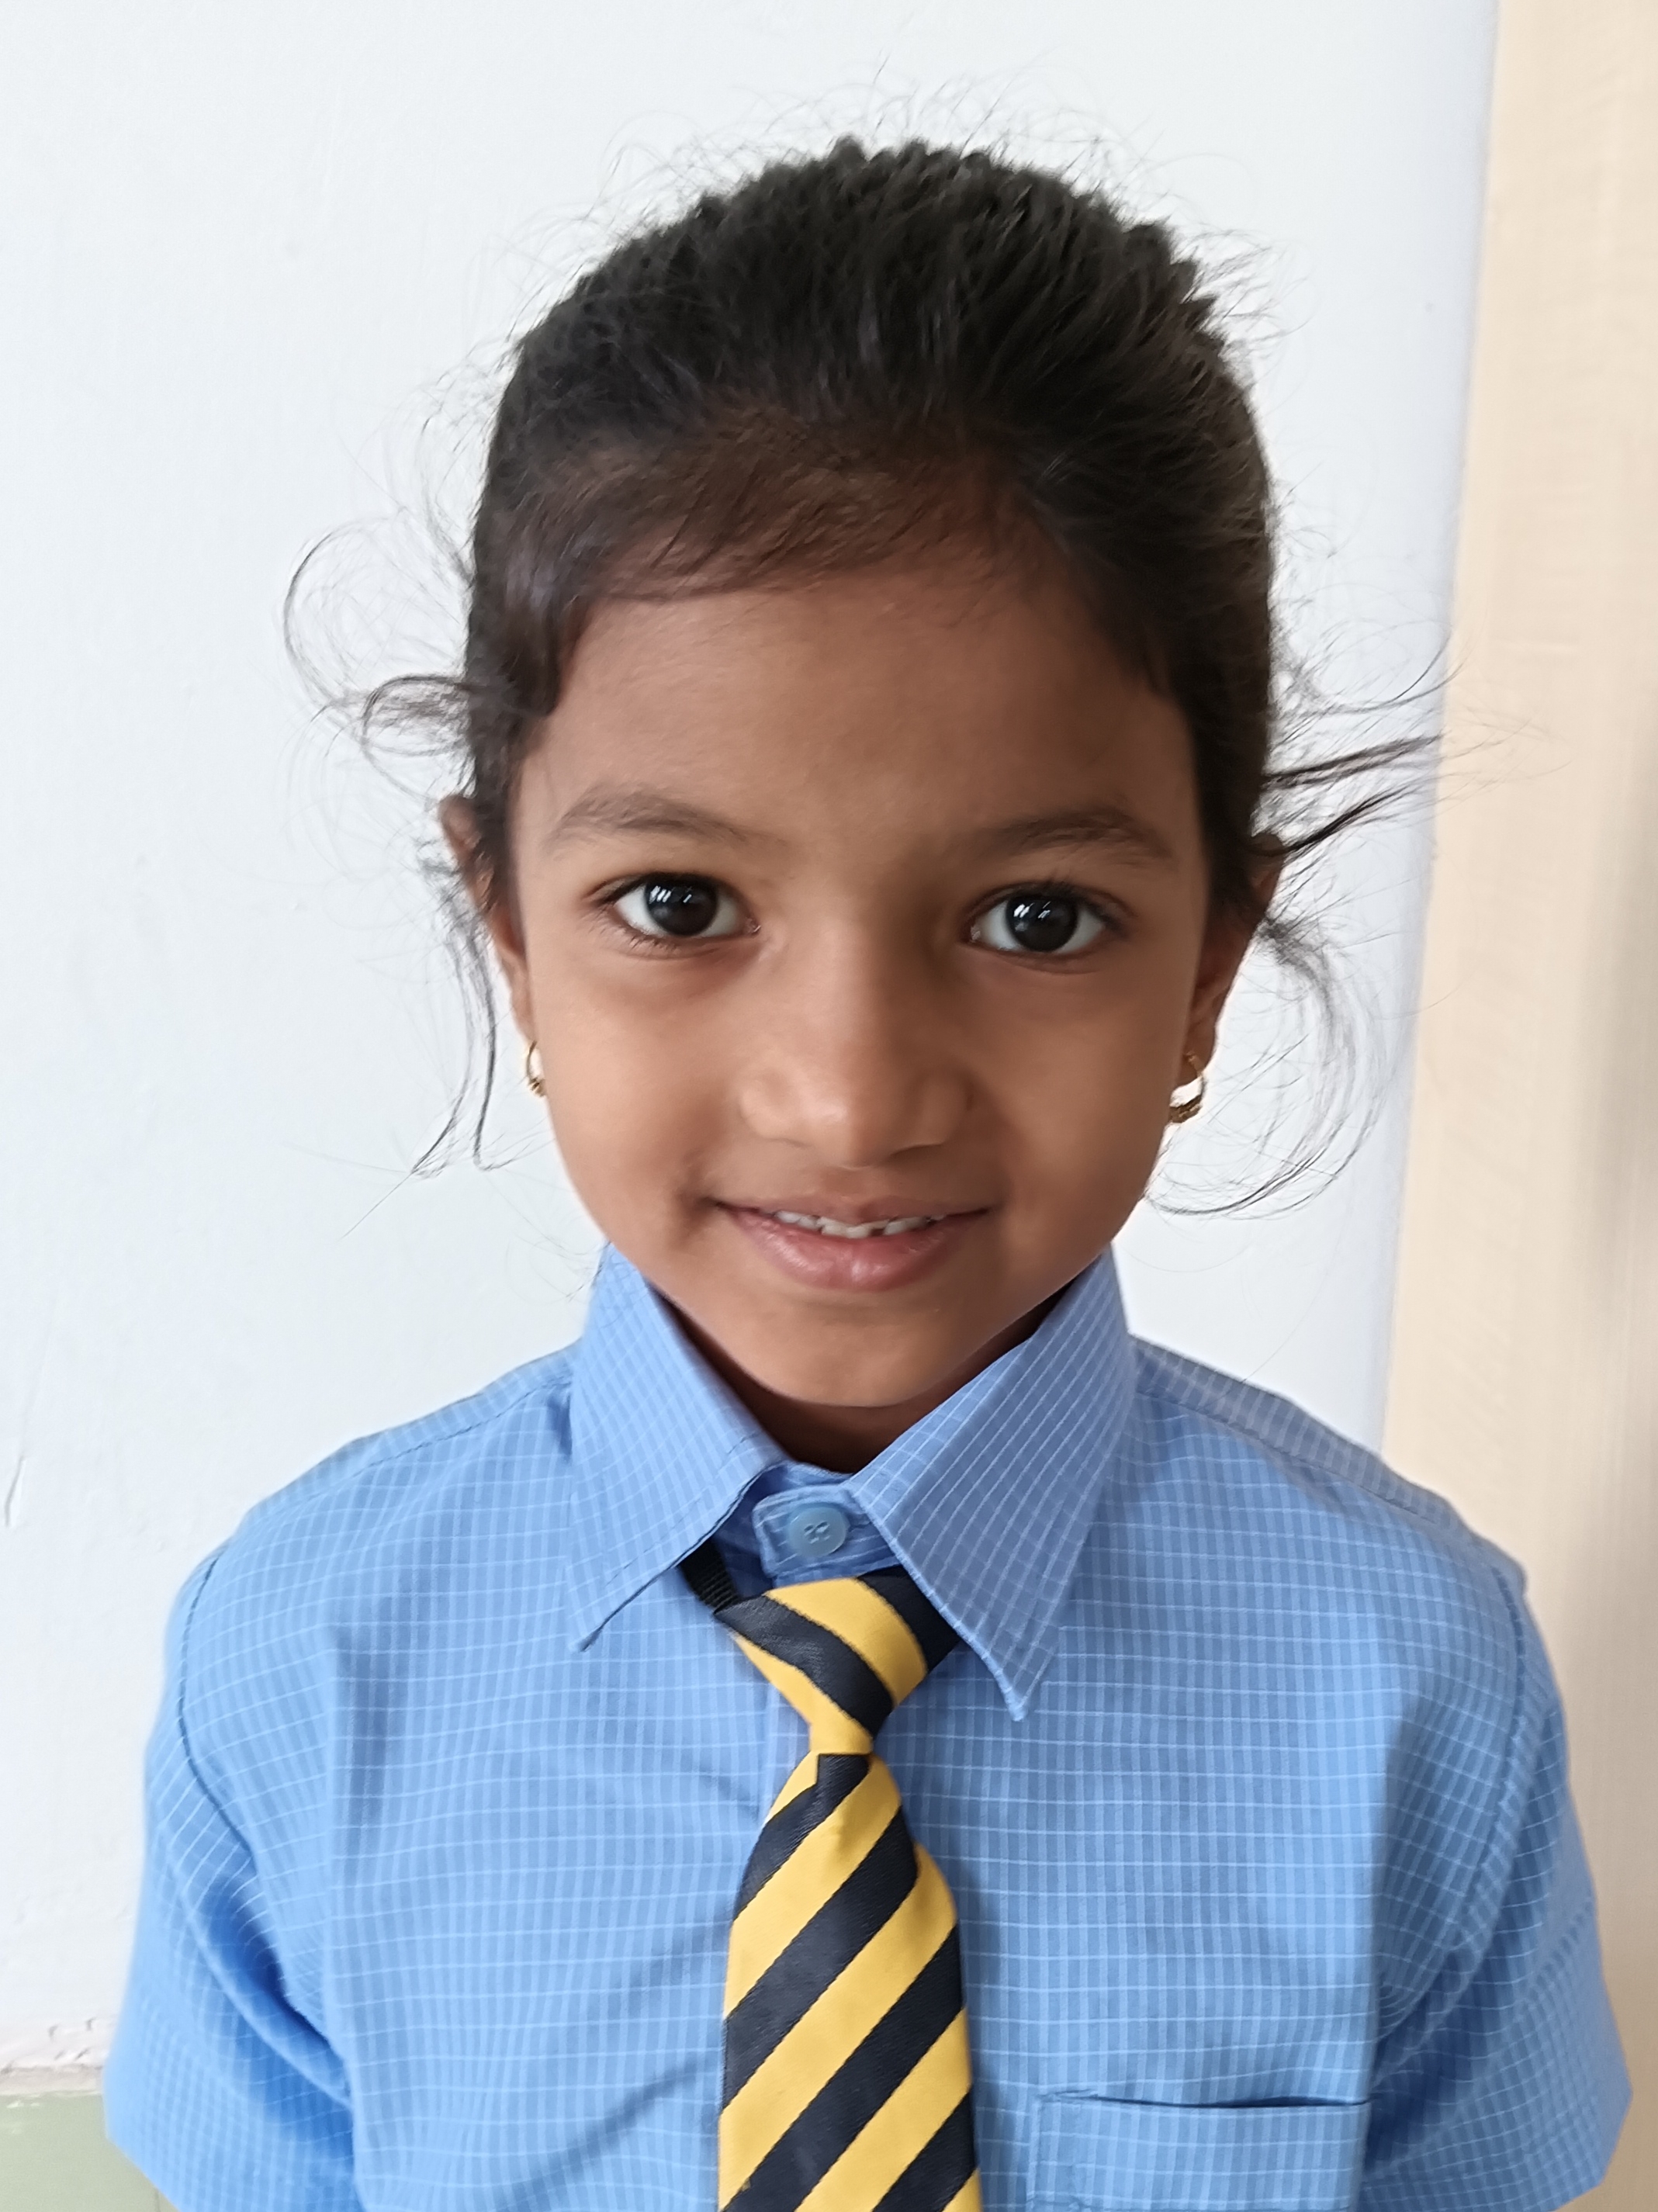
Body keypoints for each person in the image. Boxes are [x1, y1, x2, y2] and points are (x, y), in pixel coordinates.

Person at [103, 141, 1627, 2212]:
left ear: (1206, 962)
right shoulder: (296, 1662)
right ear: (510, 929)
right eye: (679, 901)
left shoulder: (1412, 1684)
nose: (847, 1096)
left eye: (1034, 919)